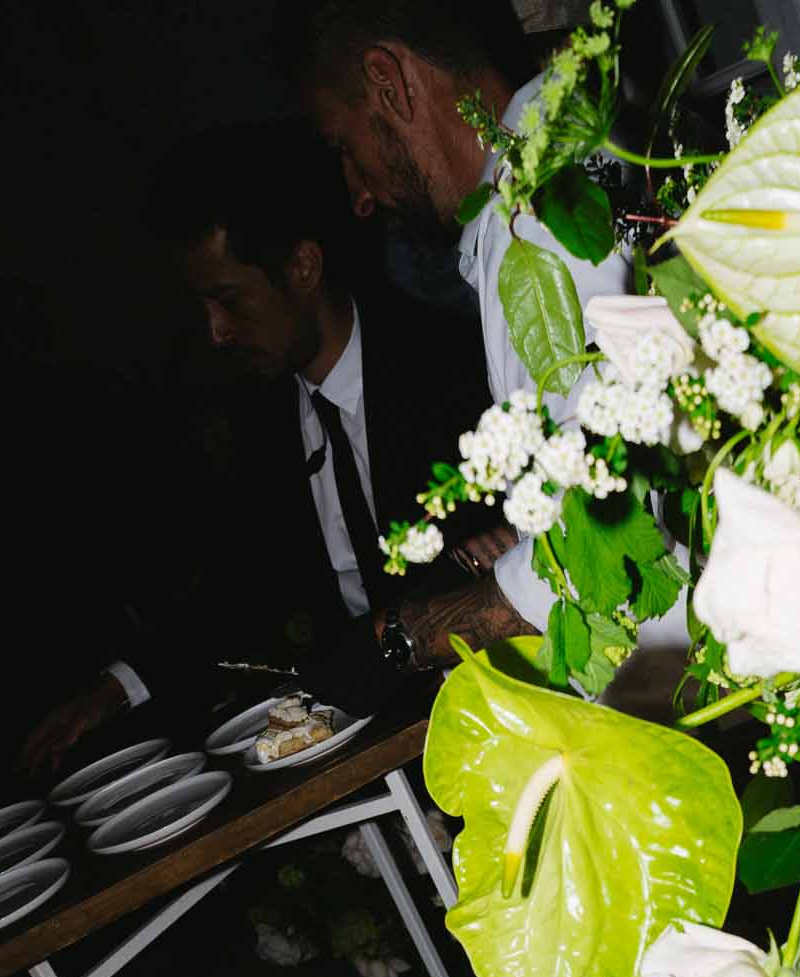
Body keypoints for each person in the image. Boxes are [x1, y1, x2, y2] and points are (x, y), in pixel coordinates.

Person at [19, 119, 499, 780]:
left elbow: (500, 550)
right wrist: (115, 686)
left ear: (302, 266)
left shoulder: (446, 366)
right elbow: (238, 582)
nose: (216, 333)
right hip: (354, 734)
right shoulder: (259, 414)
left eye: (230, 300)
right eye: (203, 307)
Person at [273, 0, 656, 675]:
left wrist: (406, 636)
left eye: (345, 147)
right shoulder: (584, 142)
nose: (357, 194)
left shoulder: (535, 216)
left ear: (388, 82)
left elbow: (604, 533)